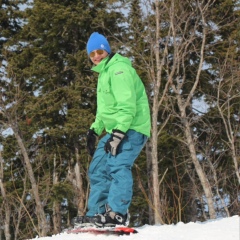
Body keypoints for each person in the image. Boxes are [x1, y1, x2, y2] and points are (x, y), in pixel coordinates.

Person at [74, 32, 151, 228]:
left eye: (99, 51)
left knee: (117, 165)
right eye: (92, 54)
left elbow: (127, 106)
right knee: (98, 169)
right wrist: (94, 130)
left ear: (106, 50)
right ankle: (97, 214)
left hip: (131, 128)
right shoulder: (104, 73)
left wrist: (118, 134)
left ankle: (117, 213)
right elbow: (104, 111)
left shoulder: (118, 70)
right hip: (115, 128)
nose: (96, 56)